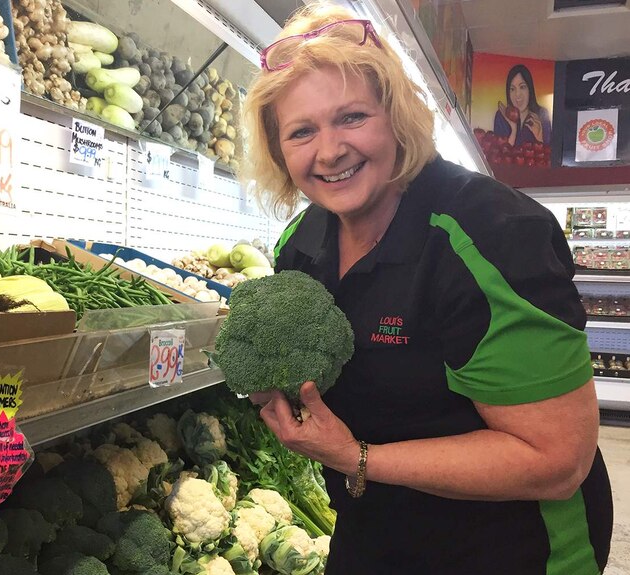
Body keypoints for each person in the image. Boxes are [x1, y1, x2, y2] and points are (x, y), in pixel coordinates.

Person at [242, 5, 612, 574]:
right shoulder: (301, 241)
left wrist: (355, 457)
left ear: (396, 114)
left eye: (352, 117)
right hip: (372, 532)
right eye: (301, 131)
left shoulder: (493, 235)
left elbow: (558, 460)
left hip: (510, 551)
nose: (329, 151)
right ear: (277, 148)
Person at [493, 64, 552, 146]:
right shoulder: (501, 116)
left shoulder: (541, 114)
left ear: (530, 89)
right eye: (512, 89)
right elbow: (499, 153)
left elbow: (549, 154)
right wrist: (513, 129)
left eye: (522, 87)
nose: (517, 94)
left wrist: (540, 138)